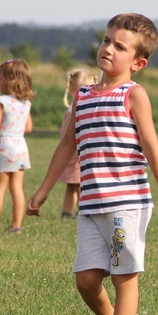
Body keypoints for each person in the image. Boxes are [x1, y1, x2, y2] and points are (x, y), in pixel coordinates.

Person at [26, 13, 158, 315]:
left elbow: (152, 147)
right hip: (91, 205)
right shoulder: (82, 97)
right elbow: (68, 146)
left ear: (138, 62)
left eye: (120, 46)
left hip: (126, 205)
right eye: (106, 40)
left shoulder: (134, 95)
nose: (108, 49)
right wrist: (43, 190)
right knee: (85, 279)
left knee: (123, 278)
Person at [0, 59, 36, 233]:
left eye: (0, 79)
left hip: (5, 146)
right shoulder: (26, 103)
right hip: (21, 147)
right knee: (17, 187)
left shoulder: (1, 101)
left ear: (9, 81)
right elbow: (28, 128)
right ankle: (16, 225)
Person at [58, 68, 98, 220]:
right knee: (79, 185)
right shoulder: (75, 111)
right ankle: (79, 211)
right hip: (77, 154)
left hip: (78, 154)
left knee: (76, 184)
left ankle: (69, 212)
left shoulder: (74, 110)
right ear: (74, 91)